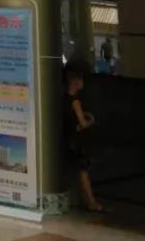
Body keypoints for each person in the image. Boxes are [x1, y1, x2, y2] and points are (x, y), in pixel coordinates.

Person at [64, 60, 103, 212]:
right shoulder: (76, 102)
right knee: (83, 171)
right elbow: (82, 123)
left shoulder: (64, 98)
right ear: (75, 81)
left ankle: (85, 201)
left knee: (78, 171)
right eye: (80, 79)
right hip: (77, 142)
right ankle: (91, 202)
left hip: (68, 140)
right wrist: (90, 120)